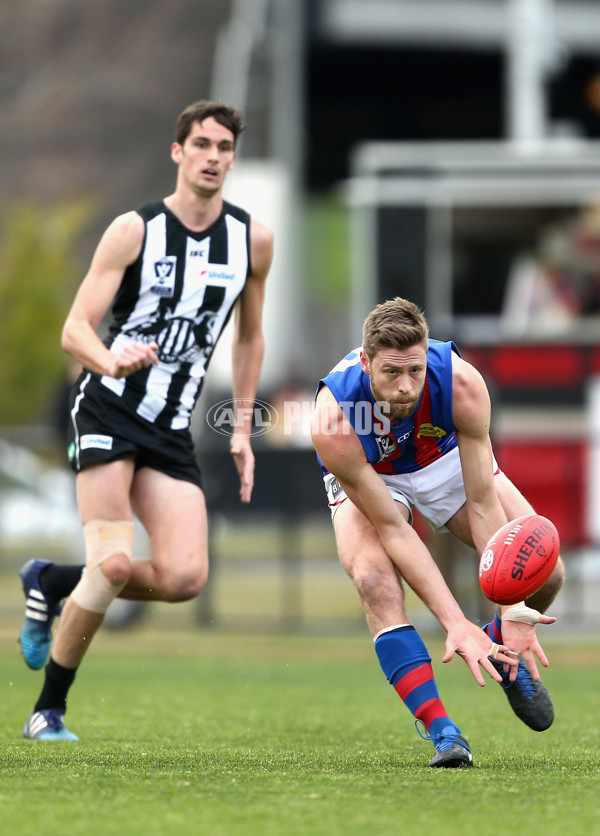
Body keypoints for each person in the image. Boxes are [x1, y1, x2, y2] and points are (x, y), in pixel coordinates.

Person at [18, 99, 274, 740]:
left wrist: (242, 428)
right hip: (106, 405)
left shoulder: (252, 240)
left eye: (225, 148)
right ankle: (48, 709)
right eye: (203, 145)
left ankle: (49, 580)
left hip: (171, 427)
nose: (214, 157)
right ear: (177, 152)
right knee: (111, 563)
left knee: (186, 577)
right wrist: (112, 357)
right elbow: (73, 329)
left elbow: (249, 339)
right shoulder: (134, 230)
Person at [311, 297, 564, 768]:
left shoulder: (462, 384)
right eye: (391, 373)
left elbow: (484, 503)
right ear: (365, 362)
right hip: (375, 473)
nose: (406, 388)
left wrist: (512, 609)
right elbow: (395, 530)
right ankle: (443, 731)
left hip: (442, 458)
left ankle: (499, 640)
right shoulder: (334, 419)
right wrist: (455, 624)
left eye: (416, 371)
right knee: (373, 578)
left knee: (544, 573)